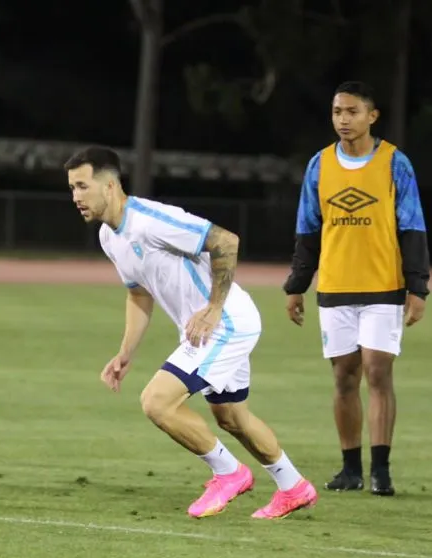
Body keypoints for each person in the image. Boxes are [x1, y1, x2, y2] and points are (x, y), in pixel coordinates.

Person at [65, 146, 318, 520]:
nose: (75, 196)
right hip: (210, 328)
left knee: (157, 402)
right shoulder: (109, 236)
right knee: (231, 418)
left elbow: (225, 241)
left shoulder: (150, 220)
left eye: (83, 186)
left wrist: (214, 308)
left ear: (110, 186)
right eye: (72, 188)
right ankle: (294, 487)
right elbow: (138, 294)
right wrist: (125, 352)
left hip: (226, 322)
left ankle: (229, 473)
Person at [282, 81, 431, 496]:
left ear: (372, 116)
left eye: (352, 112)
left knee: (378, 372)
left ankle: (381, 469)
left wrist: (418, 288)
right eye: (337, 112)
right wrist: (296, 285)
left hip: (384, 286)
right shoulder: (319, 165)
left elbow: (413, 226)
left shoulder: (395, 163)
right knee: (344, 377)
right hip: (335, 288)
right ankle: (351, 469)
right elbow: (308, 230)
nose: (343, 120)